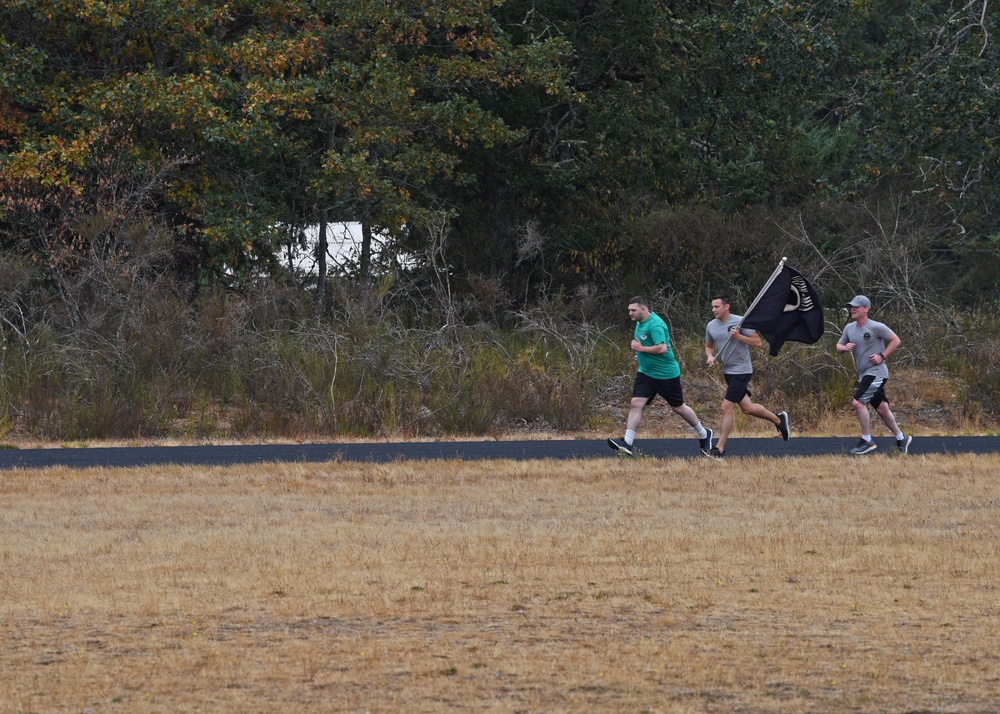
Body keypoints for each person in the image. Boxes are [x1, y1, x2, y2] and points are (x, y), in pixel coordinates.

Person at [608, 296, 713, 457]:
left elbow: (662, 348)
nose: (630, 313)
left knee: (678, 407)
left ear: (643, 309)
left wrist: (641, 349)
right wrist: (641, 355)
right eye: (629, 310)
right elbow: (647, 345)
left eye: (633, 310)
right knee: (636, 403)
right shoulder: (639, 323)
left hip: (665, 374)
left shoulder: (655, 325)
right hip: (646, 373)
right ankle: (627, 443)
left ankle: (704, 434)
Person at [703, 294, 790, 459]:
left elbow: (758, 343)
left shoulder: (741, 321)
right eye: (712, 307)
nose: (713, 310)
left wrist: (738, 337)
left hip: (742, 371)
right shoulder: (711, 326)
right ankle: (778, 420)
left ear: (726, 307)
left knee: (726, 407)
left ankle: (719, 449)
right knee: (747, 408)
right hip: (728, 372)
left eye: (716, 307)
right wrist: (709, 356)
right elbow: (708, 346)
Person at [836, 295, 912, 455]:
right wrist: (843, 348)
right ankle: (901, 438)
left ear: (866, 309)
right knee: (882, 409)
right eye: (851, 306)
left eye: (856, 306)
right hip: (864, 375)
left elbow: (895, 340)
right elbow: (838, 345)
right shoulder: (849, 328)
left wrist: (882, 355)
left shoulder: (876, 326)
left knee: (858, 403)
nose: (852, 309)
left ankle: (867, 440)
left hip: (876, 373)